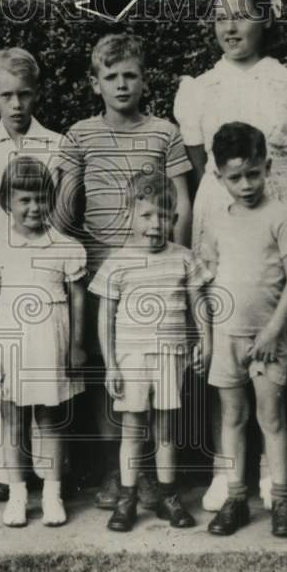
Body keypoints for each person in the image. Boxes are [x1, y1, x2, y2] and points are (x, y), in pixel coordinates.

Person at [173, 0, 287, 514]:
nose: (230, 27)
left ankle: (268, 469)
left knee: (272, 336)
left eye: (242, 15)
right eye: (220, 17)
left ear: (265, 21)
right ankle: (226, 468)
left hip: (278, 202)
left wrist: (274, 189)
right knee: (224, 341)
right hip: (222, 207)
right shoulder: (200, 88)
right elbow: (200, 161)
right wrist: (227, 190)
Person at [56, 33, 193, 511]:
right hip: (104, 274)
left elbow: (182, 202)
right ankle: (117, 472)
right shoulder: (80, 135)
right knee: (112, 373)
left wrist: (176, 262)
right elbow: (64, 207)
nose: (121, 85)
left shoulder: (164, 133)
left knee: (159, 377)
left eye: (130, 75)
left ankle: (152, 476)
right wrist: (67, 262)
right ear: (95, 83)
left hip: (157, 274)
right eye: (110, 76)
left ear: (144, 80)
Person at [89, 171, 213, 532]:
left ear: (174, 218)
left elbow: (199, 303)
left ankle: (168, 497)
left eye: (163, 215)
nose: (155, 224)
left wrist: (205, 340)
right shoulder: (117, 262)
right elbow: (105, 317)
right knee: (132, 429)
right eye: (146, 215)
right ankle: (127, 499)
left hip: (170, 355)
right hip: (131, 358)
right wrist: (111, 365)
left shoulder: (184, 258)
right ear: (129, 215)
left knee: (166, 430)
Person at [201, 122, 287, 538]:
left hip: (267, 338)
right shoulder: (217, 220)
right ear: (219, 176)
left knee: (271, 418)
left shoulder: (280, 216)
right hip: (227, 335)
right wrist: (209, 335)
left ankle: (280, 499)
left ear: (266, 166)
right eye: (235, 178)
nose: (245, 185)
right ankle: (236, 498)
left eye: (252, 174)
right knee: (232, 417)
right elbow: (208, 278)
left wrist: (272, 330)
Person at [0, 48, 64, 503]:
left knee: (45, 374)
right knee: (2, 374)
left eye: (24, 94)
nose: (17, 104)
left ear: (37, 93)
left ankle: (50, 476)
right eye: (7, 95)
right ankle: (9, 477)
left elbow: (63, 214)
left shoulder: (57, 146)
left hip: (44, 266)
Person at [0, 157, 87, 527]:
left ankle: (53, 494)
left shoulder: (66, 247)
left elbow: (78, 299)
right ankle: (18, 495)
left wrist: (76, 345)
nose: (34, 207)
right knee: (12, 421)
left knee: (51, 418)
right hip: (10, 344)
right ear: (7, 202)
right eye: (24, 200)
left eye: (41, 199)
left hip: (51, 342)